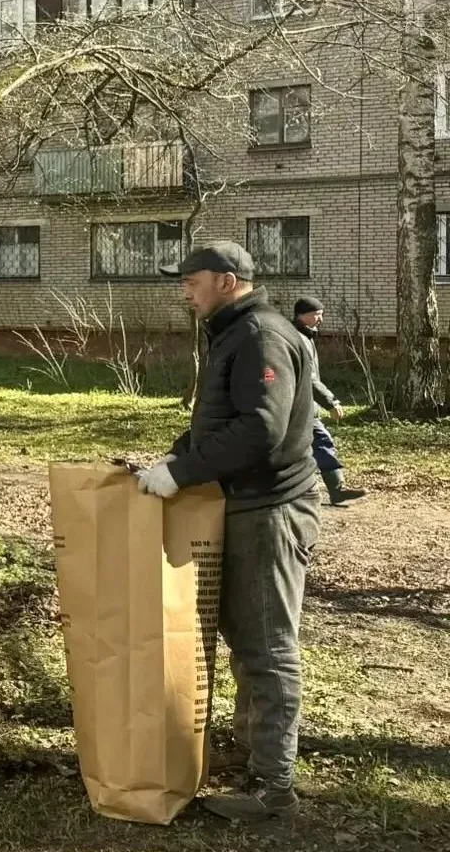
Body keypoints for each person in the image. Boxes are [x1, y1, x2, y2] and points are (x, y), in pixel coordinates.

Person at [138, 243, 319, 823]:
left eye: (191, 281)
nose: (184, 291)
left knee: (267, 647)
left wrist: (183, 472)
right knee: (248, 642)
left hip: (271, 510)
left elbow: (260, 429)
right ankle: (255, 760)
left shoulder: (261, 335)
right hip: (247, 506)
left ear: (225, 280)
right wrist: (173, 459)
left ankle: (275, 790)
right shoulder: (234, 332)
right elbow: (223, 419)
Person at [291, 297, 364, 507]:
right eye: (317, 314)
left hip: (298, 407)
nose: (321, 319)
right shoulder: (299, 339)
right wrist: (330, 402)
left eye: (321, 314)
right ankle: (336, 491)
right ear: (302, 315)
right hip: (301, 408)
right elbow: (308, 378)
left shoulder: (305, 337)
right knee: (321, 442)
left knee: (310, 447)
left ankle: (330, 490)